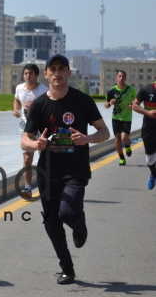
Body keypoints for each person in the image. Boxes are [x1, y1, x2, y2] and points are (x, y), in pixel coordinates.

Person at [21, 54, 109, 285]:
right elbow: (24, 139)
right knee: (52, 222)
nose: (57, 73)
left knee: (68, 213)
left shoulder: (82, 101)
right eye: (53, 69)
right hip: (47, 173)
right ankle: (67, 268)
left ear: (69, 73)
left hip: (75, 170)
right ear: (47, 74)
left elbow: (104, 132)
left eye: (62, 69)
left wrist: (88, 138)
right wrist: (35, 144)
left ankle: (79, 227)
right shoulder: (39, 105)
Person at [13, 64, 48, 198]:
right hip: (26, 126)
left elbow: (49, 107)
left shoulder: (44, 91)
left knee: (43, 158)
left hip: (41, 126)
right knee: (27, 158)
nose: (28, 76)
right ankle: (27, 188)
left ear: (37, 75)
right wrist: (16, 110)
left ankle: (45, 184)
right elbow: (16, 99)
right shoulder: (19, 88)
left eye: (31, 73)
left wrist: (35, 107)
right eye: (26, 73)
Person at [104, 70, 136, 165]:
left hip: (127, 118)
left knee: (124, 138)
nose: (121, 78)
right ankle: (122, 158)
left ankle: (127, 145)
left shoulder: (131, 90)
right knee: (117, 139)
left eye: (123, 76)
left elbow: (136, 101)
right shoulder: (112, 91)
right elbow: (106, 105)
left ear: (125, 78)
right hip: (116, 118)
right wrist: (110, 103)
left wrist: (133, 105)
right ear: (116, 78)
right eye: (119, 76)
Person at [131, 74, 156, 189]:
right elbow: (134, 106)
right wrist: (148, 113)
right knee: (150, 159)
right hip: (149, 128)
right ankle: (153, 173)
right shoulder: (146, 89)